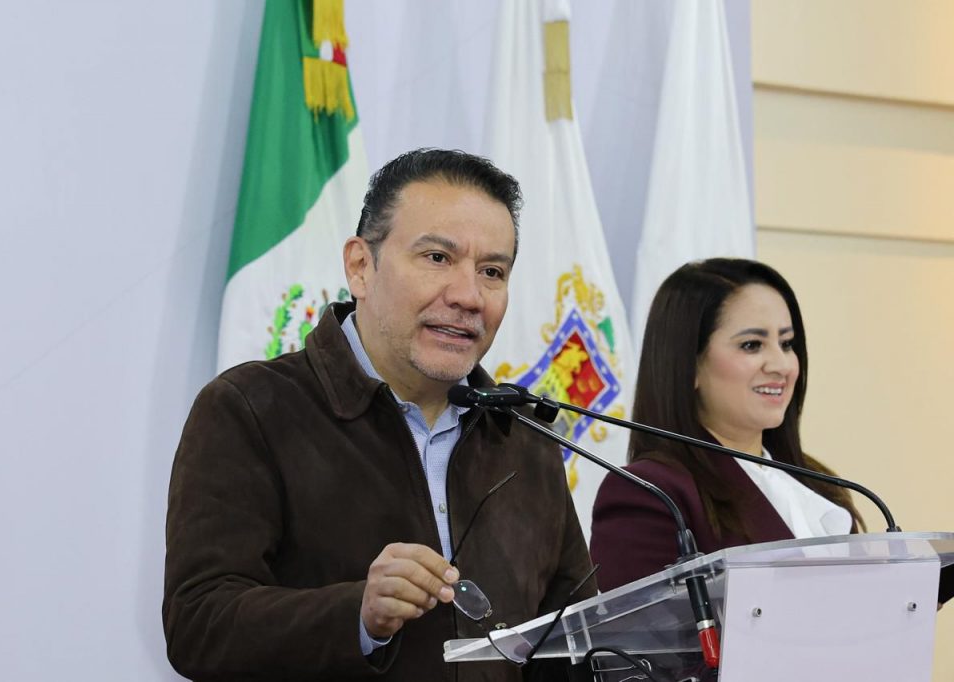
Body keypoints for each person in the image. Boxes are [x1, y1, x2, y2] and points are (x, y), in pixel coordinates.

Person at [163, 149, 595, 681]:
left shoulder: (521, 433)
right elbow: (198, 624)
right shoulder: (251, 407)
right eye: (437, 258)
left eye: (492, 271)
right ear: (361, 267)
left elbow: (575, 638)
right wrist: (359, 616)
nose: (468, 296)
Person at [590, 258, 863, 592]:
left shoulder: (820, 485)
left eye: (787, 343)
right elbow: (647, 626)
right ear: (688, 365)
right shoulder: (649, 494)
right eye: (752, 345)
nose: (781, 365)